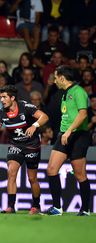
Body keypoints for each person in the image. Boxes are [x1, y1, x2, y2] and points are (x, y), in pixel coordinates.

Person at [0, 85, 49, 214]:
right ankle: (10, 206)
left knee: (32, 178)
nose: (2, 100)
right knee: (11, 173)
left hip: (32, 146)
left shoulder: (25, 107)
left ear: (12, 97)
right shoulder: (1, 112)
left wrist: (34, 125)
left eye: (5, 97)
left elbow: (44, 117)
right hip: (15, 145)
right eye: (1, 97)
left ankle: (36, 206)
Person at [45, 65, 91, 216]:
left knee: (79, 174)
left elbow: (83, 114)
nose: (54, 80)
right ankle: (57, 207)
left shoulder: (79, 92)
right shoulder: (64, 93)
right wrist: (64, 132)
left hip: (79, 135)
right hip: (64, 134)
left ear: (62, 78)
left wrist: (70, 131)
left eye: (56, 77)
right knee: (51, 170)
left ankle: (85, 209)